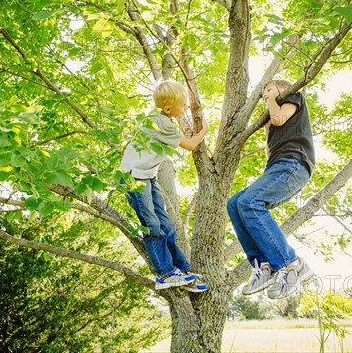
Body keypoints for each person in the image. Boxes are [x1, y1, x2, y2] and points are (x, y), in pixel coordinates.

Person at [227, 79, 315, 299]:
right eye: (263, 92)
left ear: (282, 90)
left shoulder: (293, 97)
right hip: (278, 168)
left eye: (268, 90)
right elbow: (270, 150)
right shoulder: (274, 117)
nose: (264, 95)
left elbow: (279, 118)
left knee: (249, 203)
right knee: (235, 203)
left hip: (293, 164)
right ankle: (264, 264)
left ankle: (291, 264)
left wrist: (273, 103)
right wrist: (267, 130)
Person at [120, 80, 209, 292]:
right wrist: (204, 129)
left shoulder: (163, 119)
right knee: (153, 225)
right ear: (168, 109)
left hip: (147, 177)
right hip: (133, 178)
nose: (186, 108)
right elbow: (190, 145)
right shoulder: (159, 122)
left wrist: (184, 122)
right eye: (183, 105)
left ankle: (181, 270)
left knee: (167, 224)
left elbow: (181, 135)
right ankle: (165, 274)